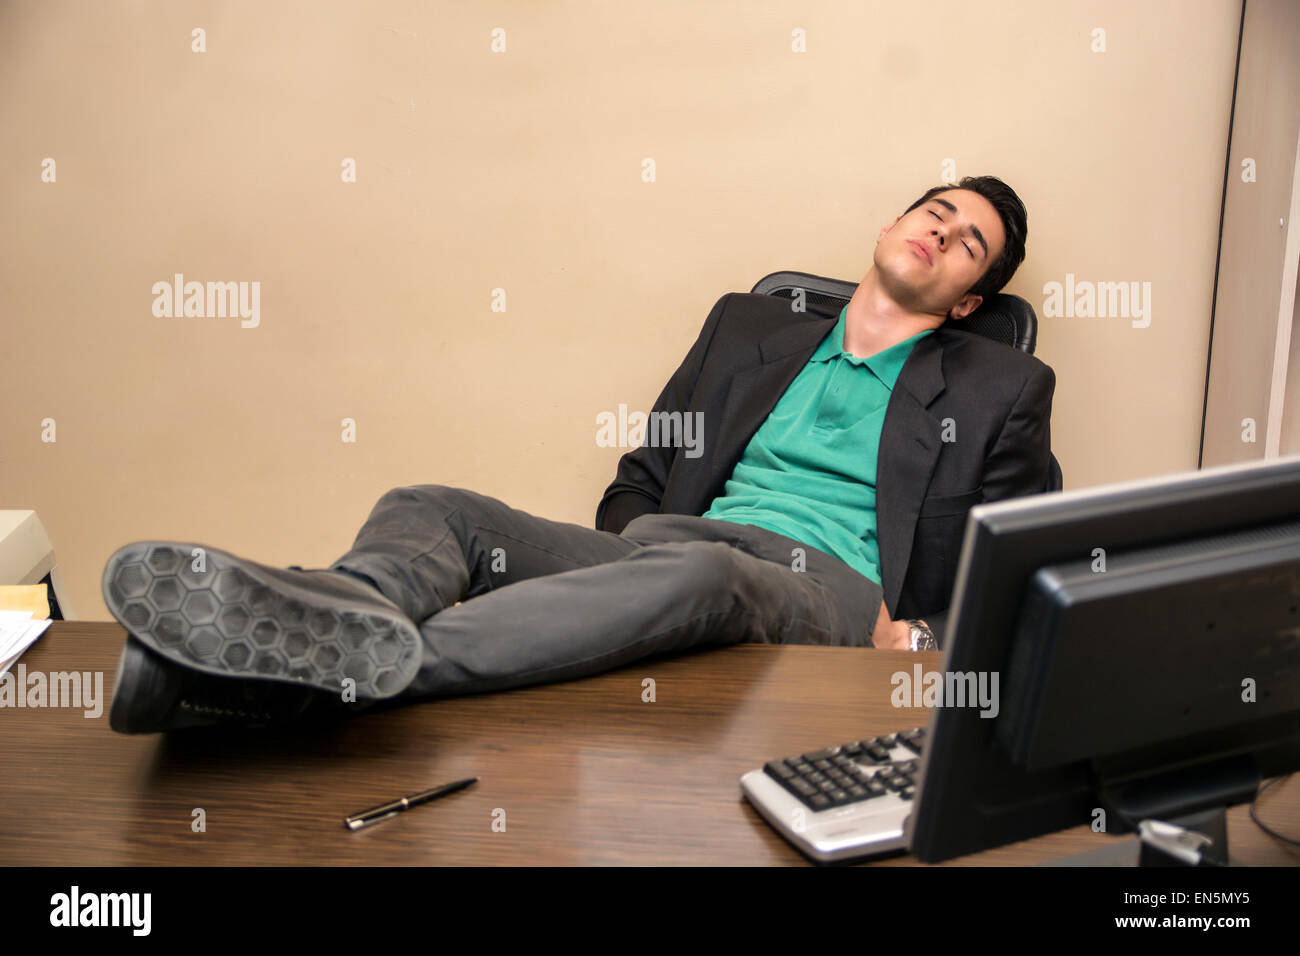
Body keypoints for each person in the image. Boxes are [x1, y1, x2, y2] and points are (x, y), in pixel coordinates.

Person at [103, 175, 1056, 734]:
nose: (942, 230)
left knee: (707, 575)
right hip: (681, 543)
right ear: (891, 226)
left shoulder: (999, 387)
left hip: (834, 588)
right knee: (439, 507)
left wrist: (921, 641)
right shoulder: (746, 326)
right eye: (935, 210)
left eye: (970, 242)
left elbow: (1011, 563)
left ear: (971, 301)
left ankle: (310, 670)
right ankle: (324, 628)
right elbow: (644, 477)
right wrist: (627, 548)